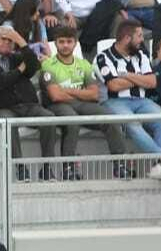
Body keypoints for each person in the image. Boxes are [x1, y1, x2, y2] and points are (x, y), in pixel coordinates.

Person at [40, 23, 128, 180]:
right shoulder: (48, 65)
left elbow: (95, 95)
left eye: (69, 41)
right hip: (58, 106)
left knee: (111, 119)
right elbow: (55, 96)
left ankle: (119, 164)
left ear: (75, 43)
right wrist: (82, 93)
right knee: (72, 122)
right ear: (56, 43)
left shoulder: (84, 64)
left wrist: (66, 90)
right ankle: (68, 168)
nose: (65, 45)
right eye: (61, 42)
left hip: (82, 105)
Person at [95, 20, 161, 177]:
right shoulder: (103, 57)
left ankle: (159, 168)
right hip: (114, 102)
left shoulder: (141, 55)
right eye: (139, 36)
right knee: (132, 124)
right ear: (127, 38)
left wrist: (126, 75)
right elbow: (114, 86)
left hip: (141, 101)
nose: (142, 40)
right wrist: (139, 79)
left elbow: (152, 82)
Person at [0, 25, 57, 179]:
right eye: (3, 39)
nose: (7, 43)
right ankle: (20, 167)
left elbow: (34, 66)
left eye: (10, 40)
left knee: (49, 119)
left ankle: (47, 168)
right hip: (2, 106)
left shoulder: (17, 57)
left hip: (27, 105)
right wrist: (19, 71)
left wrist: (21, 42)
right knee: (8, 122)